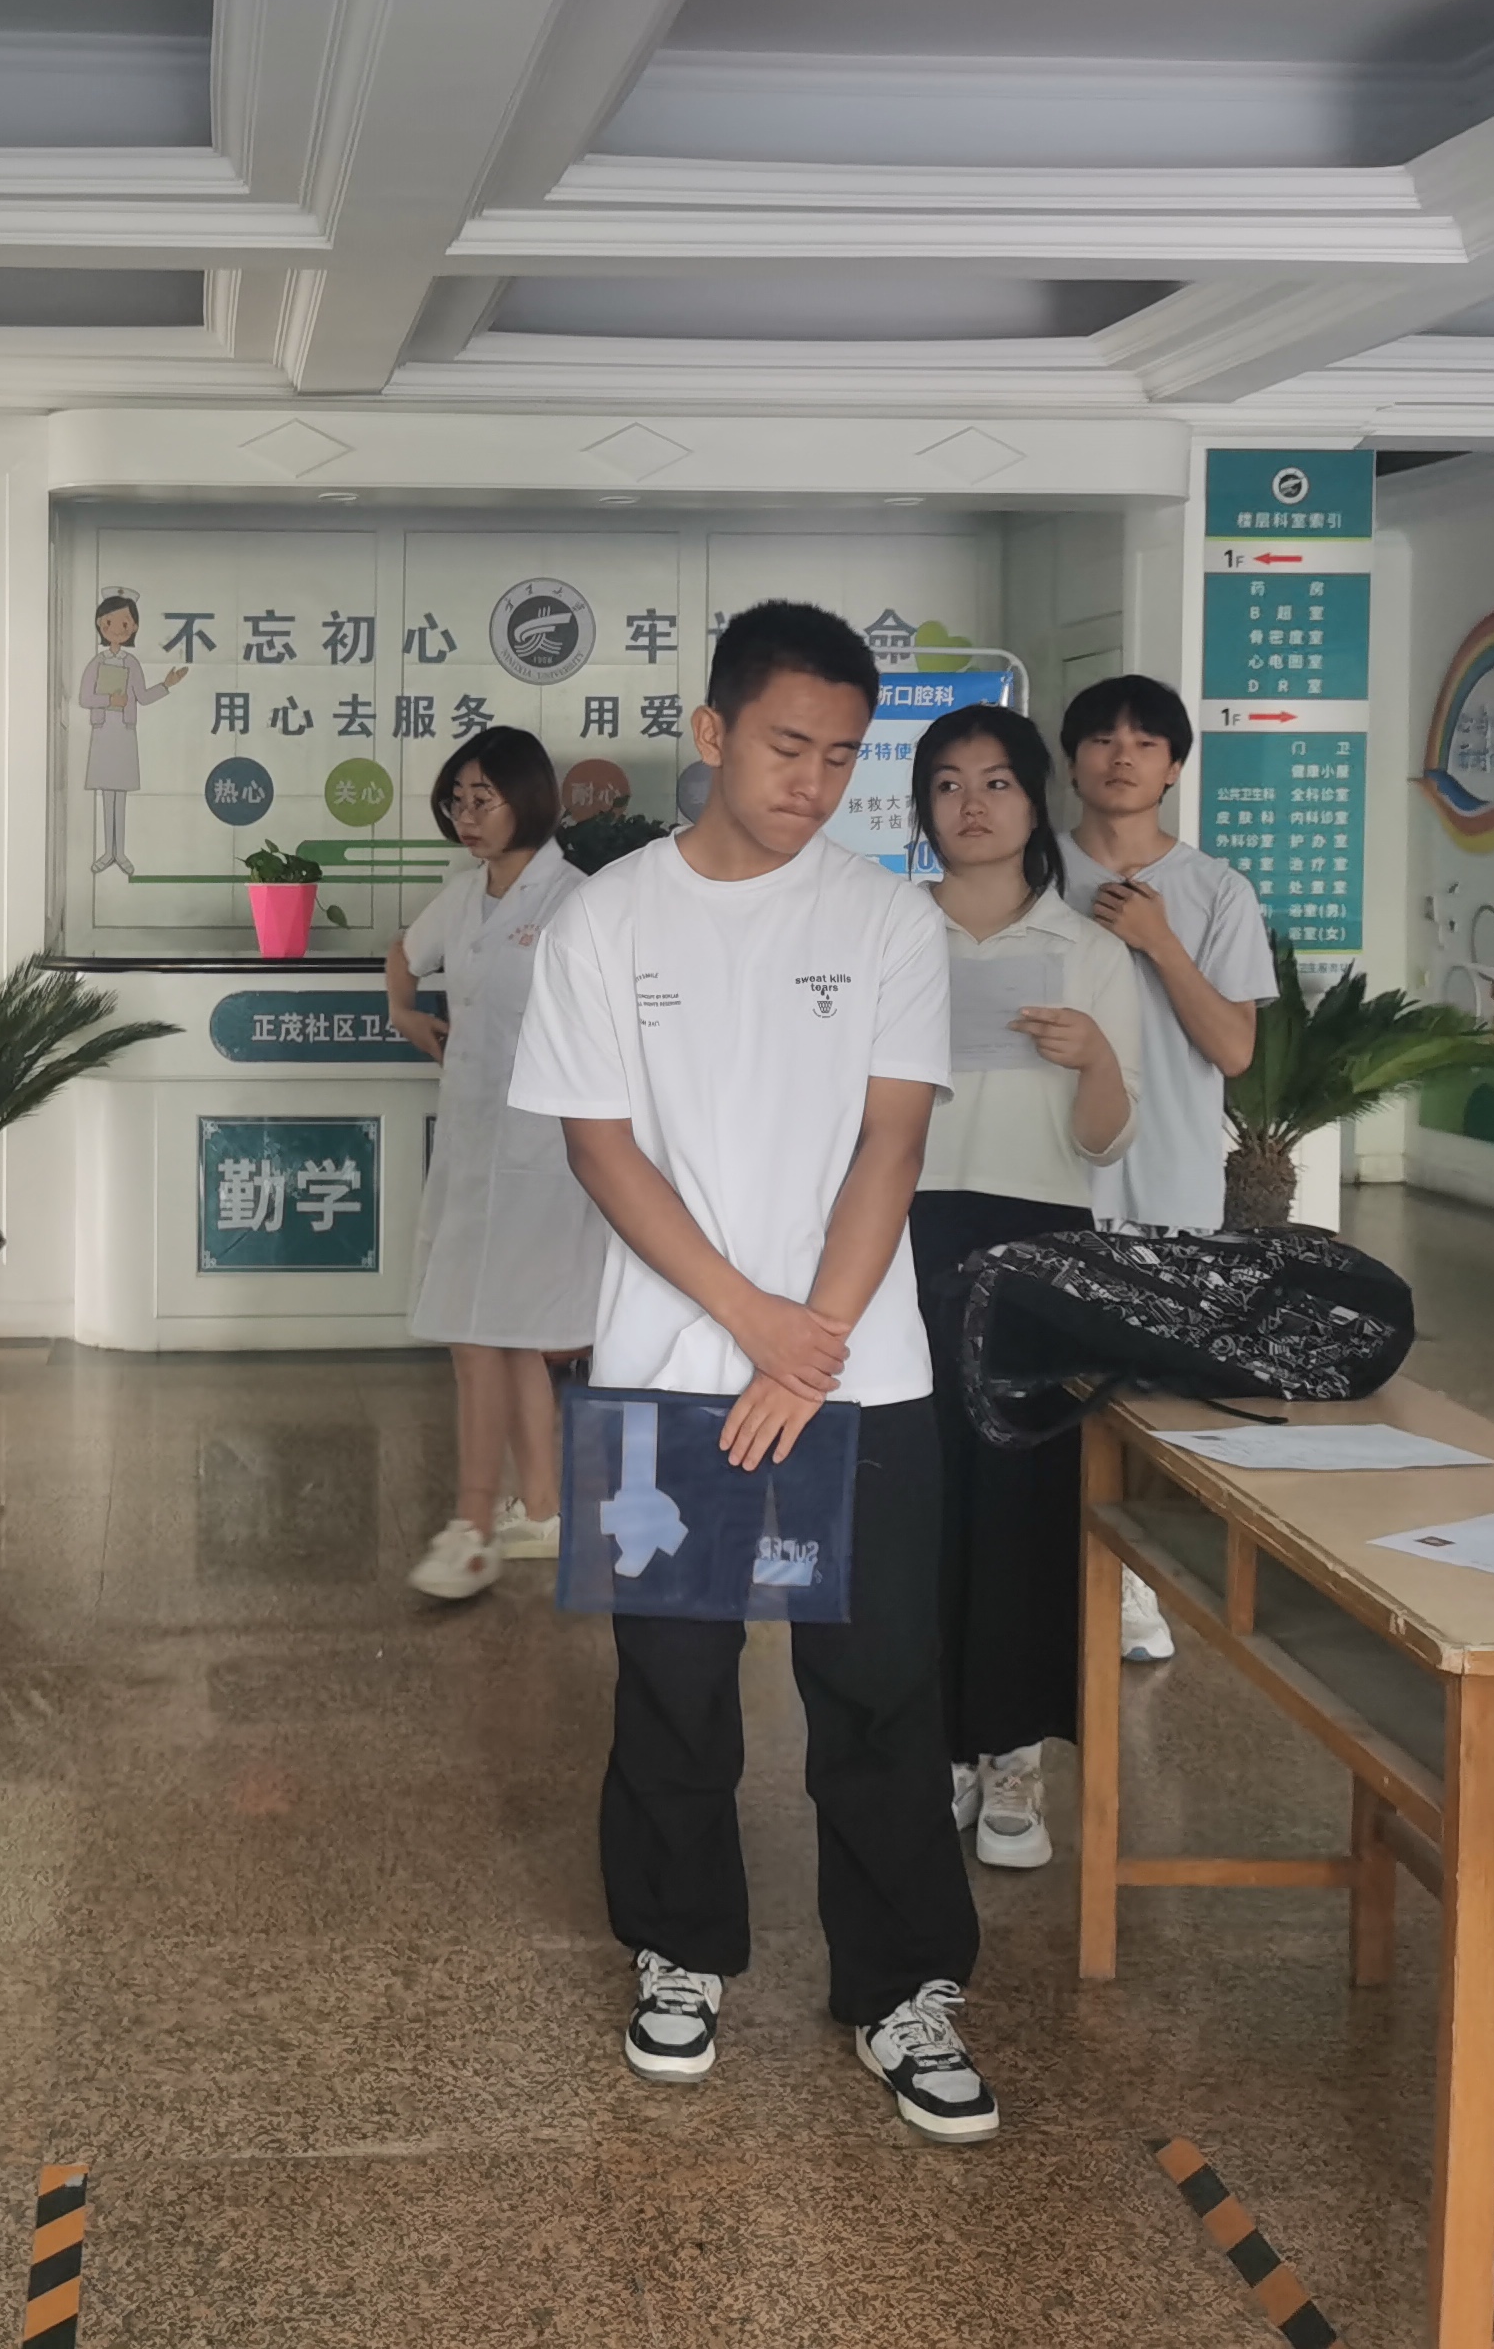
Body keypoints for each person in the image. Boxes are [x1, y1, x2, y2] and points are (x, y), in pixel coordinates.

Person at [511, 601, 994, 2144]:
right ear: (713, 734)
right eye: (789, 746)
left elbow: (892, 1142)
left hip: (864, 1369)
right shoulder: (604, 924)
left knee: (881, 1688)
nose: (814, 782)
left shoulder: (886, 922)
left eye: (843, 757)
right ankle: (680, 1949)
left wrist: (811, 1344)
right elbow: (602, 1150)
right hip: (667, 1364)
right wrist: (751, 1324)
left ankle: (903, 1987)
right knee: (673, 1679)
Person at [906, 704, 1142, 1876]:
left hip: (1041, 1241)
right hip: (906, 1230)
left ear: (1033, 800)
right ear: (923, 807)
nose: (973, 805)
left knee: (1024, 1497)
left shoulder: (1089, 950)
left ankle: (1013, 1756)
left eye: (996, 782)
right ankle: (941, 1741)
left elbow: (1106, 1141)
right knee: (922, 1491)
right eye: (948, 785)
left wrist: (1094, 1056)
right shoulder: (888, 933)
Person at [1063, 671, 1274, 1665]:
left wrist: (1157, 943)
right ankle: (1045, 1579)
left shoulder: (1216, 891)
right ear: (1072, 760)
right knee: (1050, 1384)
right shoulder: (1031, 871)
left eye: (1145, 742)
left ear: (1175, 767)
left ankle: (1133, 1590)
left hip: (1170, 1176)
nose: (1122, 756)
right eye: (1102, 739)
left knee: (1148, 1396)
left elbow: (1233, 1049)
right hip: (1051, 1169)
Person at [388, 726, 604, 1599]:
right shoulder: (463, 896)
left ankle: (473, 1528)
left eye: (483, 798)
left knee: (480, 1332)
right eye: (457, 800)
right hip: (473, 1142)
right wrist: (406, 1013)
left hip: (544, 1154)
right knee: (504, 1333)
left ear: (530, 799)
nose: (466, 815)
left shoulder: (577, 901)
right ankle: (542, 1511)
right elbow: (403, 957)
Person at [75, 593, 187, 874]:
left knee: (120, 795)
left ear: (134, 627)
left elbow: (143, 697)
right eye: (109, 622)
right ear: (100, 623)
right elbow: (85, 698)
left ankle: (120, 853)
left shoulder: (132, 663)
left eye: (124, 623)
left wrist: (166, 685)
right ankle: (107, 852)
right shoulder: (96, 662)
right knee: (107, 794)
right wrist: (109, 700)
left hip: (124, 732)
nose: (116, 628)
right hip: (103, 730)